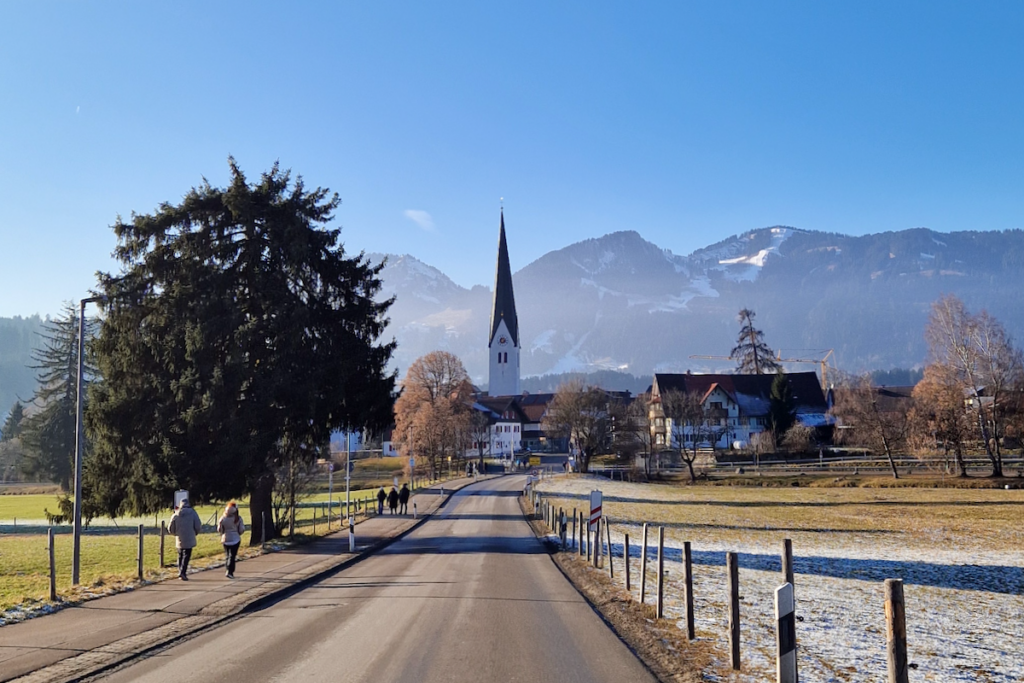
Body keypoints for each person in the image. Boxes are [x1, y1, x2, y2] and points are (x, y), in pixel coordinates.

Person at [168, 497, 202, 581]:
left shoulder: (176, 514)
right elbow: (198, 525)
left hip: (179, 538)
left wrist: (175, 533)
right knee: (186, 556)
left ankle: (180, 571)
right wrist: (195, 533)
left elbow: (170, 527)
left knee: (180, 555)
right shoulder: (193, 513)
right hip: (190, 537)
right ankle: (183, 572)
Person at [217, 501, 245, 579]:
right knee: (232, 556)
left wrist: (223, 534)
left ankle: (227, 569)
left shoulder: (223, 518)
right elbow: (241, 529)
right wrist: (238, 533)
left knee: (227, 555)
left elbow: (219, 529)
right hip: (235, 539)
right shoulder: (238, 518)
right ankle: (230, 571)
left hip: (225, 539)